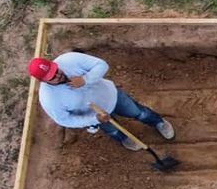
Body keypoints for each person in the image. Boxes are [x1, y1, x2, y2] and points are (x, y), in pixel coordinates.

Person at [30, 52, 174, 151]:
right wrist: (93, 118)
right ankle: (125, 139)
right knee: (114, 131)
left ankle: (158, 123)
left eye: (56, 70)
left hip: (112, 96)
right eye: (52, 77)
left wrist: (86, 79)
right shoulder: (49, 98)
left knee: (139, 113)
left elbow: (101, 64)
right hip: (97, 116)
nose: (58, 75)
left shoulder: (69, 60)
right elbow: (64, 120)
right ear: (42, 80)